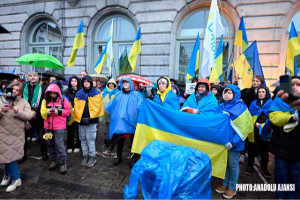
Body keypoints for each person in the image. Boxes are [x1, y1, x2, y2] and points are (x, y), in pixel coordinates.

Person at [215, 84, 253, 199]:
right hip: (223, 142)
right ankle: (225, 184)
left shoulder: (241, 107)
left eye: (229, 93)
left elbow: (245, 127)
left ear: (235, 94)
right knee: (226, 164)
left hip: (235, 143)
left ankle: (232, 187)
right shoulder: (221, 106)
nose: (227, 94)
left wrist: (233, 142)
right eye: (225, 92)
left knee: (233, 165)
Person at [268, 76, 300, 199]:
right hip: (282, 147)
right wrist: (292, 117)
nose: (295, 87)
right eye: (292, 85)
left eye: (298, 85)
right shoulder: (278, 101)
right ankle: (280, 196)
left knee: (295, 175)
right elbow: (274, 118)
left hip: (298, 149)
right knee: (281, 174)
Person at [0, 81, 33, 192]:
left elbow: (29, 116)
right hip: (2, 133)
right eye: (12, 89)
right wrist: (1, 111)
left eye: (17, 90)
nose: (14, 92)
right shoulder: (1, 99)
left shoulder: (23, 102)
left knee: (11, 157)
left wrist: (19, 112)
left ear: (20, 92)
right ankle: (7, 175)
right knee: (5, 155)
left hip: (16, 135)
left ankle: (16, 178)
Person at [105, 77, 143, 166]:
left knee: (134, 140)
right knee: (120, 140)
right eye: (124, 82)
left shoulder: (137, 95)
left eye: (127, 82)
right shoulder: (119, 94)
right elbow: (112, 105)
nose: (125, 84)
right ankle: (119, 157)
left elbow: (141, 106)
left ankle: (134, 158)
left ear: (130, 83)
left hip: (133, 122)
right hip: (121, 122)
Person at [74, 75, 104, 168]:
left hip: (92, 121)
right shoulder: (79, 93)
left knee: (90, 139)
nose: (86, 83)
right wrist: (80, 118)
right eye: (84, 81)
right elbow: (77, 108)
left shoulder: (96, 93)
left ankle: (92, 156)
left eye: (88, 81)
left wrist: (92, 117)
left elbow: (98, 107)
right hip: (81, 121)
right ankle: (85, 155)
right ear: (82, 83)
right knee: (82, 139)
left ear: (91, 83)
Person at [40, 84, 71, 174]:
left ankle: (63, 162)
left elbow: (68, 111)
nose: (53, 95)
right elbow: (42, 112)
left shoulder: (63, 100)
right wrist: (48, 112)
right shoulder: (44, 101)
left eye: (54, 93)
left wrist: (59, 111)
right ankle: (54, 160)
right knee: (50, 144)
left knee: (59, 144)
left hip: (59, 126)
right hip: (48, 126)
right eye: (51, 93)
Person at [247, 86, 272, 177]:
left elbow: (272, 116)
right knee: (252, 148)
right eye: (259, 92)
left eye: (263, 92)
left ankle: (264, 168)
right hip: (254, 128)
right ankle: (250, 165)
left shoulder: (271, 103)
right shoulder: (253, 103)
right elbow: (250, 115)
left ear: (266, 93)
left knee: (264, 150)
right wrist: (256, 123)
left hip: (266, 129)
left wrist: (264, 124)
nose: (260, 93)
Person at [239, 75, 265, 164]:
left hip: (259, 119)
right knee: (245, 136)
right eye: (253, 80)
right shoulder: (246, 91)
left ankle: (256, 156)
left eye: (257, 81)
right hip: (247, 117)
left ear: (261, 83)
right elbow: (236, 94)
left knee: (257, 138)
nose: (255, 82)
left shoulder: (264, 92)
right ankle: (242, 154)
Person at [23, 71, 47, 161]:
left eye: (35, 76)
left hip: (38, 116)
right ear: (28, 77)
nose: (33, 77)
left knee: (41, 136)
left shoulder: (43, 88)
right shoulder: (24, 87)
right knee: (23, 137)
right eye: (31, 76)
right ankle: (23, 155)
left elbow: (44, 102)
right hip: (25, 115)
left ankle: (44, 153)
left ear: (38, 77)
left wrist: (35, 112)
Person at [99, 78, 119, 154]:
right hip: (106, 113)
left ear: (114, 85)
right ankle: (108, 140)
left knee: (112, 126)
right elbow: (99, 99)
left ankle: (111, 139)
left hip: (114, 113)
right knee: (108, 126)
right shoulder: (104, 91)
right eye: (109, 84)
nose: (111, 85)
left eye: (112, 84)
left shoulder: (117, 93)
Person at [64, 76, 81, 154]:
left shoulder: (81, 91)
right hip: (70, 113)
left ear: (78, 82)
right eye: (72, 81)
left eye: (75, 81)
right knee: (70, 130)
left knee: (78, 130)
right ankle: (70, 146)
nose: (73, 82)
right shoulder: (67, 91)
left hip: (79, 113)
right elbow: (64, 100)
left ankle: (78, 145)